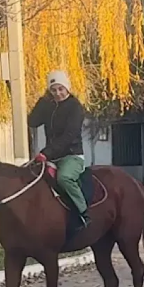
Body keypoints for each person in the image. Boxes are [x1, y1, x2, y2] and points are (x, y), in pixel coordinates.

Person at [27, 70, 90, 229]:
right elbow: (32, 122)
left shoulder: (75, 107)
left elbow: (69, 135)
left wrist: (46, 153)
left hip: (71, 155)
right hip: (51, 155)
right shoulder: (49, 106)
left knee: (64, 178)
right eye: (53, 90)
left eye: (61, 89)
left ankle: (84, 213)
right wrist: (42, 101)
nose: (58, 93)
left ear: (67, 88)